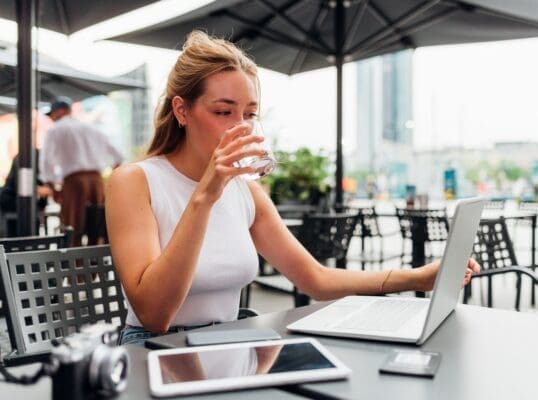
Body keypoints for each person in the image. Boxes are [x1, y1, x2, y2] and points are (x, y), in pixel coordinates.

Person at [106, 31, 479, 346]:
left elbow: (315, 279)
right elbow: (154, 315)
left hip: (228, 344)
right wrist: (205, 195)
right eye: (224, 112)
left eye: (249, 114)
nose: (241, 127)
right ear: (182, 111)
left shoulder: (246, 191)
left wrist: (419, 276)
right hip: (153, 350)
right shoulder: (135, 181)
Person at [40, 96, 124, 246]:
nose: (52, 118)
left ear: (61, 111)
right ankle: (95, 267)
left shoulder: (56, 130)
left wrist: (52, 186)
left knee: (73, 228)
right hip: (97, 181)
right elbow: (119, 156)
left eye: (52, 114)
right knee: (96, 227)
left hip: (74, 181)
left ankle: (76, 267)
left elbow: (46, 161)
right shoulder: (93, 128)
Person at [0, 151, 52, 236]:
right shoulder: (26, 156)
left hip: (28, 207)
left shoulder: (38, 159)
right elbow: (20, 184)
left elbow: (44, 191)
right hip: (11, 203)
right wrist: (38, 189)